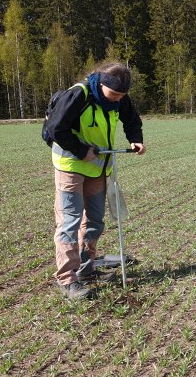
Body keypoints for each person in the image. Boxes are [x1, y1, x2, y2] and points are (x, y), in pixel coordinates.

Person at [46, 62, 146, 300]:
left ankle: (86, 268)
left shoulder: (119, 98)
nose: (117, 100)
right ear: (101, 84)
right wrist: (81, 150)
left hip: (98, 168)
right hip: (70, 166)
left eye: (122, 96)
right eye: (114, 95)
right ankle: (67, 279)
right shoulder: (78, 95)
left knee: (94, 220)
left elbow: (131, 119)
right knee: (70, 222)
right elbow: (56, 129)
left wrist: (136, 139)